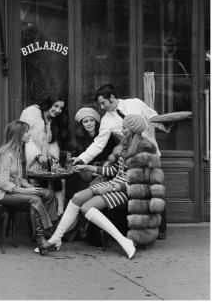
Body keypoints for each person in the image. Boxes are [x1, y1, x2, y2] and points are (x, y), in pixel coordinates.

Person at [46, 114, 154, 259]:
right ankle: (55, 239)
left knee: (86, 208)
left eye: (125, 127)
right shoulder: (124, 145)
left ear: (133, 130)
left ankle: (124, 241)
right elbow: (112, 171)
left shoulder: (143, 151)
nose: (122, 130)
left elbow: (136, 183)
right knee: (77, 197)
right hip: (114, 183)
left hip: (128, 190)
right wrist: (87, 167)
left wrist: (109, 188)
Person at [72, 84, 170, 240]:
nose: (102, 107)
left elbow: (154, 117)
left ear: (112, 97)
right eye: (100, 104)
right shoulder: (106, 120)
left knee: (155, 189)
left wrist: (169, 124)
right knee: (136, 191)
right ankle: (135, 229)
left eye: (103, 103)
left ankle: (161, 228)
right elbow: (98, 143)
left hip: (150, 154)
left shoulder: (135, 103)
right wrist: (82, 158)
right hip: (130, 158)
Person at [0, 120, 57, 256]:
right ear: (18, 135)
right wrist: (28, 191)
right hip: (2, 194)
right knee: (34, 199)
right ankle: (41, 241)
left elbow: (19, 178)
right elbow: (4, 184)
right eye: (26, 132)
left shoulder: (18, 152)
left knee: (49, 193)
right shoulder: (6, 155)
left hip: (14, 190)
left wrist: (31, 186)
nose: (29, 134)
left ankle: (47, 233)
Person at [19, 93, 70, 216]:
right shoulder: (32, 113)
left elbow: (52, 142)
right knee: (39, 186)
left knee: (57, 181)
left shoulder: (54, 121)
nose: (57, 110)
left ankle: (58, 214)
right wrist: (37, 155)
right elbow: (26, 138)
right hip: (30, 159)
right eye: (55, 106)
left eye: (61, 108)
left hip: (46, 160)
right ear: (49, 104)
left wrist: (52, 158)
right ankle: (40, 219)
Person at [69, 107, 116, 192]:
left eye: (91, 120)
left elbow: (113, 155)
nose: (89, 124)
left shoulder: (105, 136)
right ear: (81, 124)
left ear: (96, 122)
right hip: (87, 171)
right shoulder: (79, 139)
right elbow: (77, 160)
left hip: (105, 169)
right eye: (85, 121)